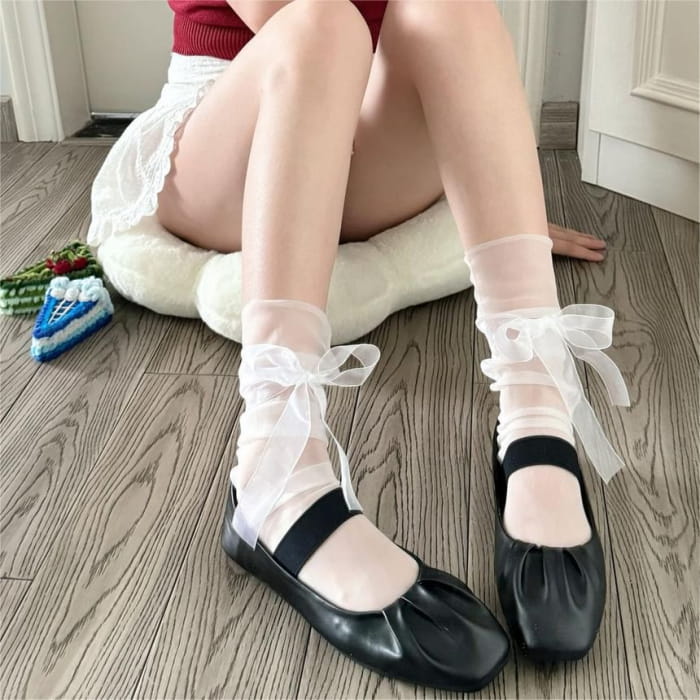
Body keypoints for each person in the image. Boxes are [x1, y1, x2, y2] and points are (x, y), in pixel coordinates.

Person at [87, 0, 630, 689]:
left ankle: (535, 397)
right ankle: (277, 469)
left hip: (359, 128)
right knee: (324, 23)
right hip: (229, 138)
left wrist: (500, 204)